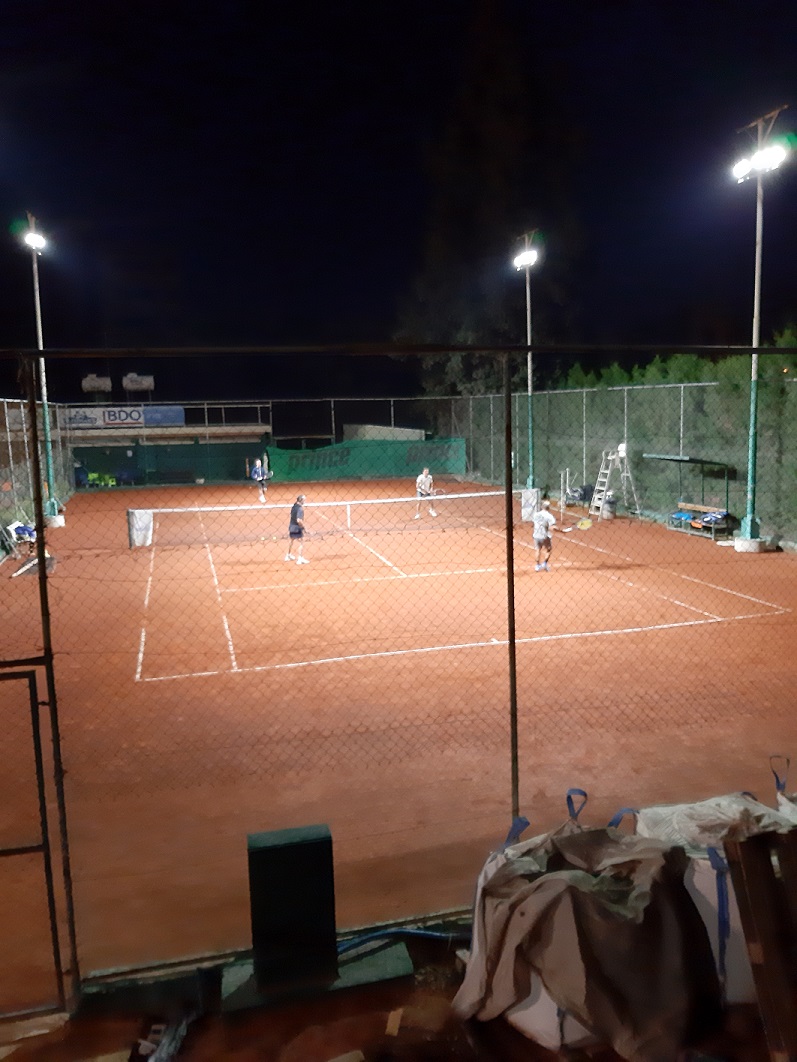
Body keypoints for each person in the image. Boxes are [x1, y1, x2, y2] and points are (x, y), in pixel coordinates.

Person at [532, 499, 556, 571]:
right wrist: (561, 531)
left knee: (538, 550)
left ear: (542, 507)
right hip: (544, 535)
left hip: (536, 535)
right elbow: (552, 527)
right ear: (548, 507)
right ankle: (545, 564)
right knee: (548, 549)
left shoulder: (536, 514)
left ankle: (537, 566)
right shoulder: (550, 516)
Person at [285, 494, 309, 563]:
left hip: (291, 526)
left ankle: (288, 555)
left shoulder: (294, 506)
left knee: (291, 540)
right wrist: (303, 527)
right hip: (297, 527)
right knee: (302, 542)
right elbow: (299, 520)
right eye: (304, 500)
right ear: (301, 500)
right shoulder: (300, 509)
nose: (305, 501)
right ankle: (300, 558)